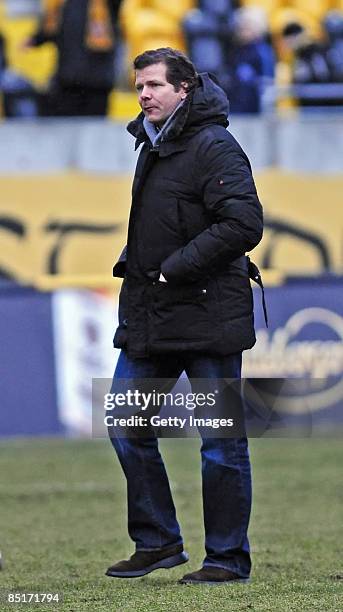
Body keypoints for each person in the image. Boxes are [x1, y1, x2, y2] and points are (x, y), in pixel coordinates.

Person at [106, 47, 263, 585]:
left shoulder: (214, 145)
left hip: (207, 319)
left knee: (221, 444)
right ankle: (158, 542)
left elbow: (243, 224)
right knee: (126, 426)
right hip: (153, 318)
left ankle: (226, 559)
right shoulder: (151, 143)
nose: (144, 94)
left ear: (184, 89)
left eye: (153, 85)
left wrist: (176, 267)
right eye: (139, 87)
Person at [22, 0, 122, 117]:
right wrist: (35, 39)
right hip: (68, 80)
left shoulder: (106, 4)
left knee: (95, 127)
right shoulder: (61, 4)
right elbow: (52, 30)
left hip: (97, 82)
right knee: (67, 125)